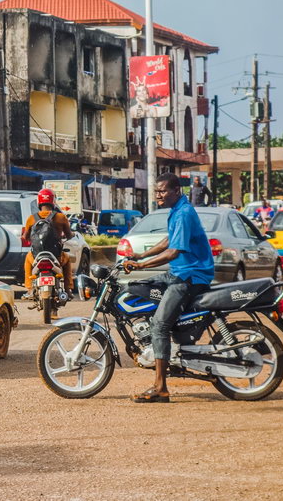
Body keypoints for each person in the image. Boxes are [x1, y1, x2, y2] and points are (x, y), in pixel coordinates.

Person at [124, 172, 214, 403]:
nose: (158, 195)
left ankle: (161, 387)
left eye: (163, 191)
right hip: (178, 272)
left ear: (177, 191)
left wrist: (141, 264)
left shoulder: (184, 213)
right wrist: (140, 254)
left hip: (190, 275)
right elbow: (168, 241)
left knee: (160, 326)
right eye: (157, 191)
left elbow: (174, 252)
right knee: (137, 286)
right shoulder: (177, 210)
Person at [22, 188, 75, 295]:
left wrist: (28, 238)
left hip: (37, 256)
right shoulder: (61, 217)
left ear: (39, 202)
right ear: (53, 202)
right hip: (56, 256)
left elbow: (25, 236)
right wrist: (71, 234)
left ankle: (29, 288)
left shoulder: (31, 218)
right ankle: (68, 289)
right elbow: (69, 235)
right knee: (67, 259)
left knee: (28, 259)